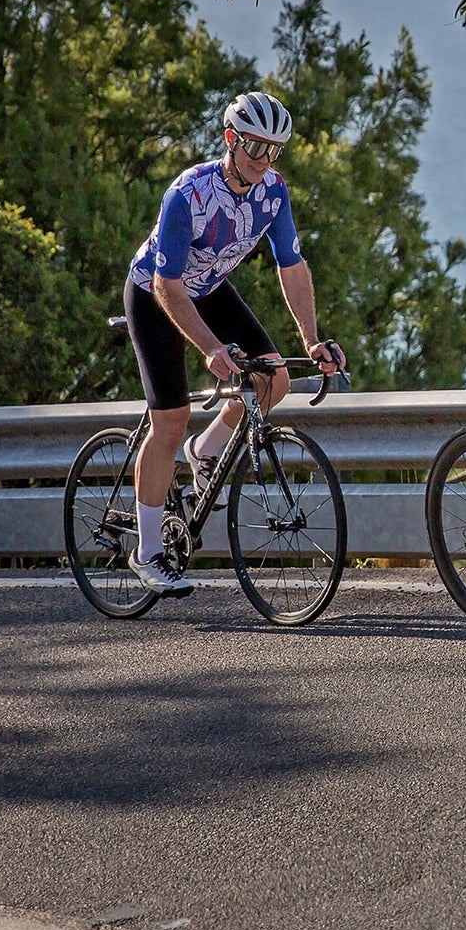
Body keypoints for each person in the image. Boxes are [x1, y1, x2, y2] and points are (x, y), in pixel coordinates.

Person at [122, 90, 346, 593]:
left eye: (274, 151)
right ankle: (149, 552)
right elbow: (168, 286)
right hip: (156, 293)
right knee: (171, 420)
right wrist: (209, 348)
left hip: (210, 288)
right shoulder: (189, 193)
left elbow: (292, 265)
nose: (264, 160)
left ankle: (207, 450)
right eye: (254, 148)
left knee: (275, 381)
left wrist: (310, 339)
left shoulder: (274, 192)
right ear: (230, 140)